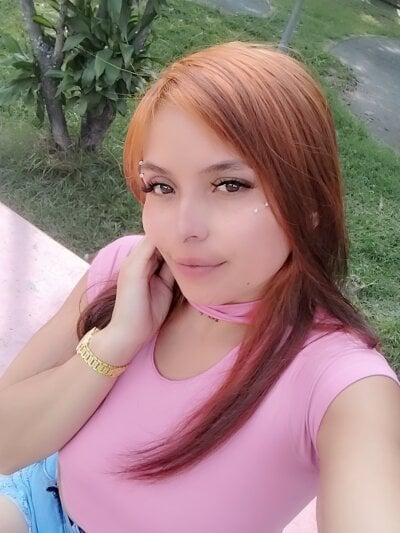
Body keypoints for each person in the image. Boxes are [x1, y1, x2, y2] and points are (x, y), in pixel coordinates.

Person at [0, 41, 399, 533]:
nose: (182, 230)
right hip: (37, 501)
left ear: (309, 208)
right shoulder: (128, 270)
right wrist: (113, 343)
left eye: (230, 185)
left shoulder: (340, 383)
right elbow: (5, 444)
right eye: (161, 187)